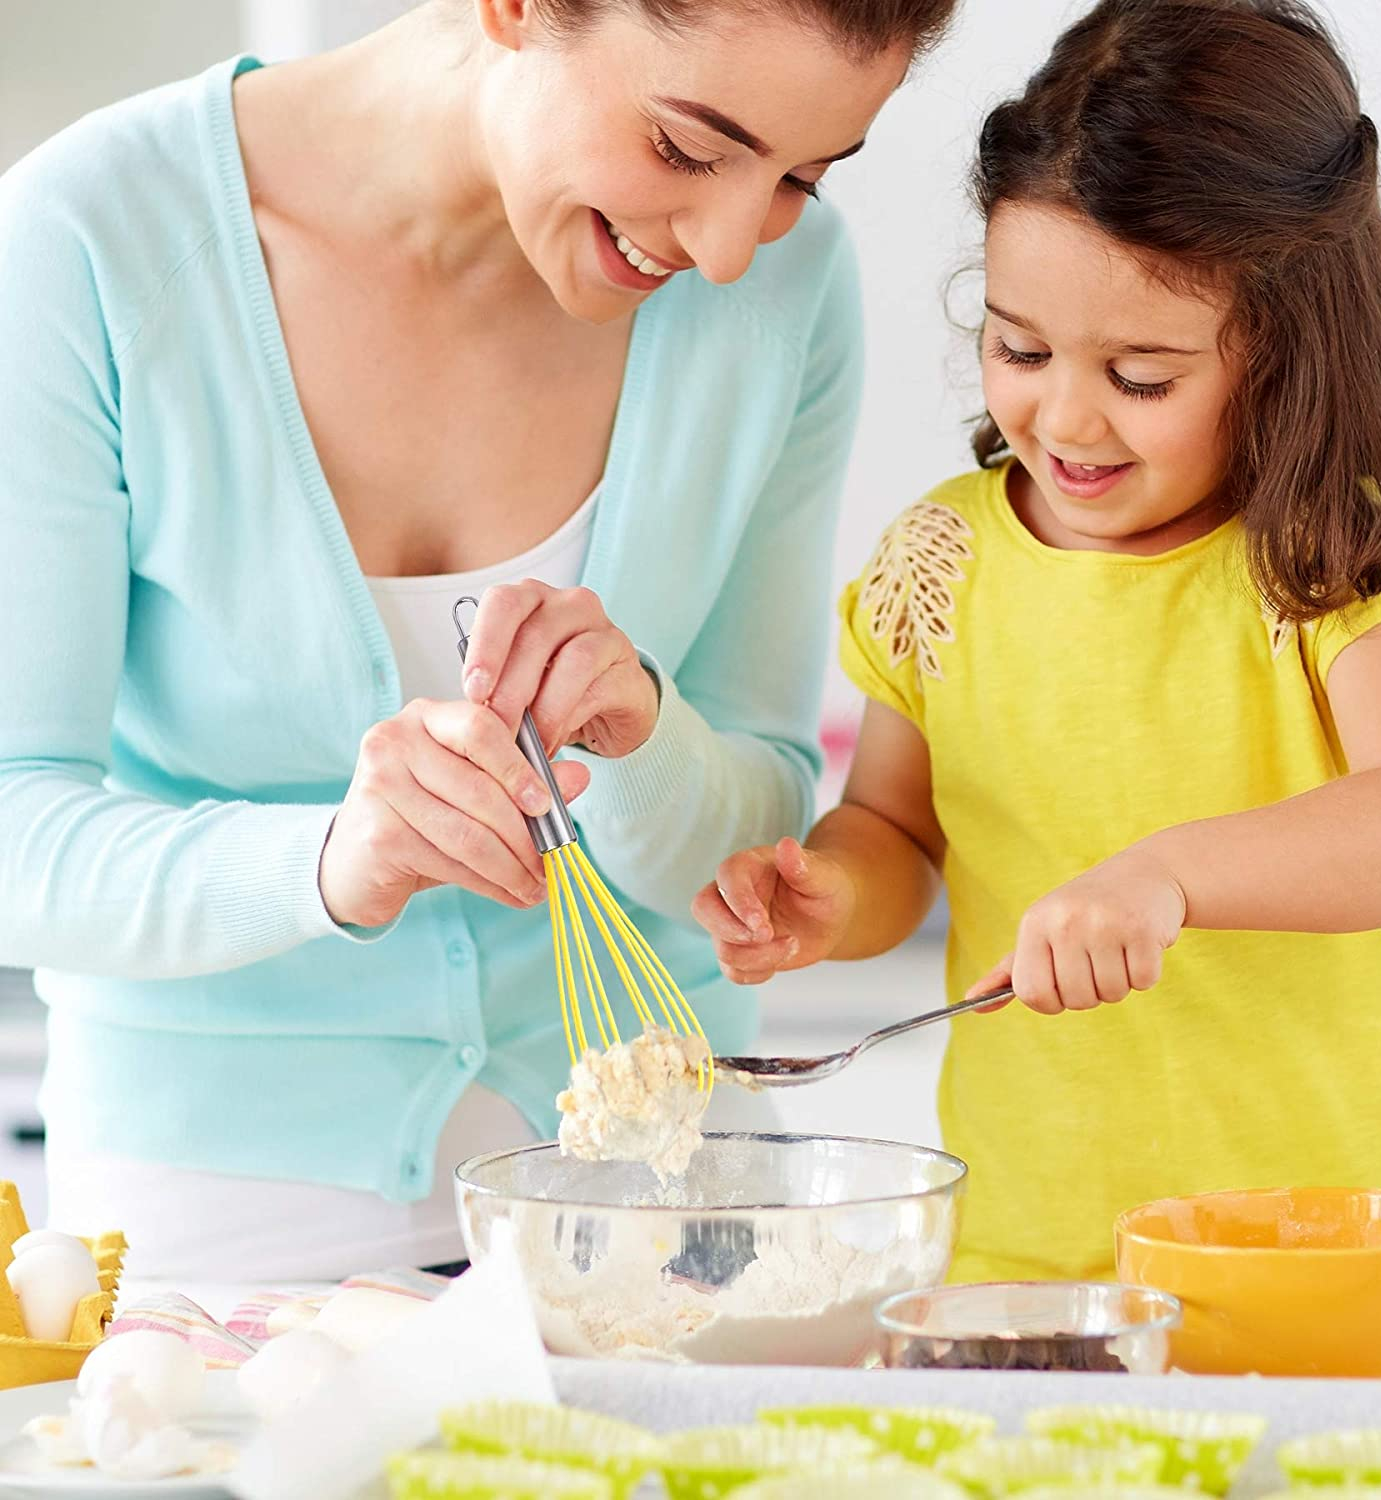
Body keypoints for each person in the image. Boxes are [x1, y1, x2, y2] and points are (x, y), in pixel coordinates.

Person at [0, 0, 958, 1278]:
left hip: (667, 1194)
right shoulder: (88, 243)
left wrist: (651, 743)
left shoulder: (791, 290)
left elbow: (758, 835)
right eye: (685, 149)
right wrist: (329, 861)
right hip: (224, 1223)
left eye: (798, 177)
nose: (731, 250)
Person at [694, 0, 1381, 1287]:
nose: (1063, 415)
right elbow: (901, 835)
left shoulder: (1311, 556)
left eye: (1142, 377)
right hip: (1030, 1252)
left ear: (1282, 359)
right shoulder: (937, 568)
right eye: (1019, 347)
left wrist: (1167, 876)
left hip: (1329, 1251)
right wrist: (832, 898)